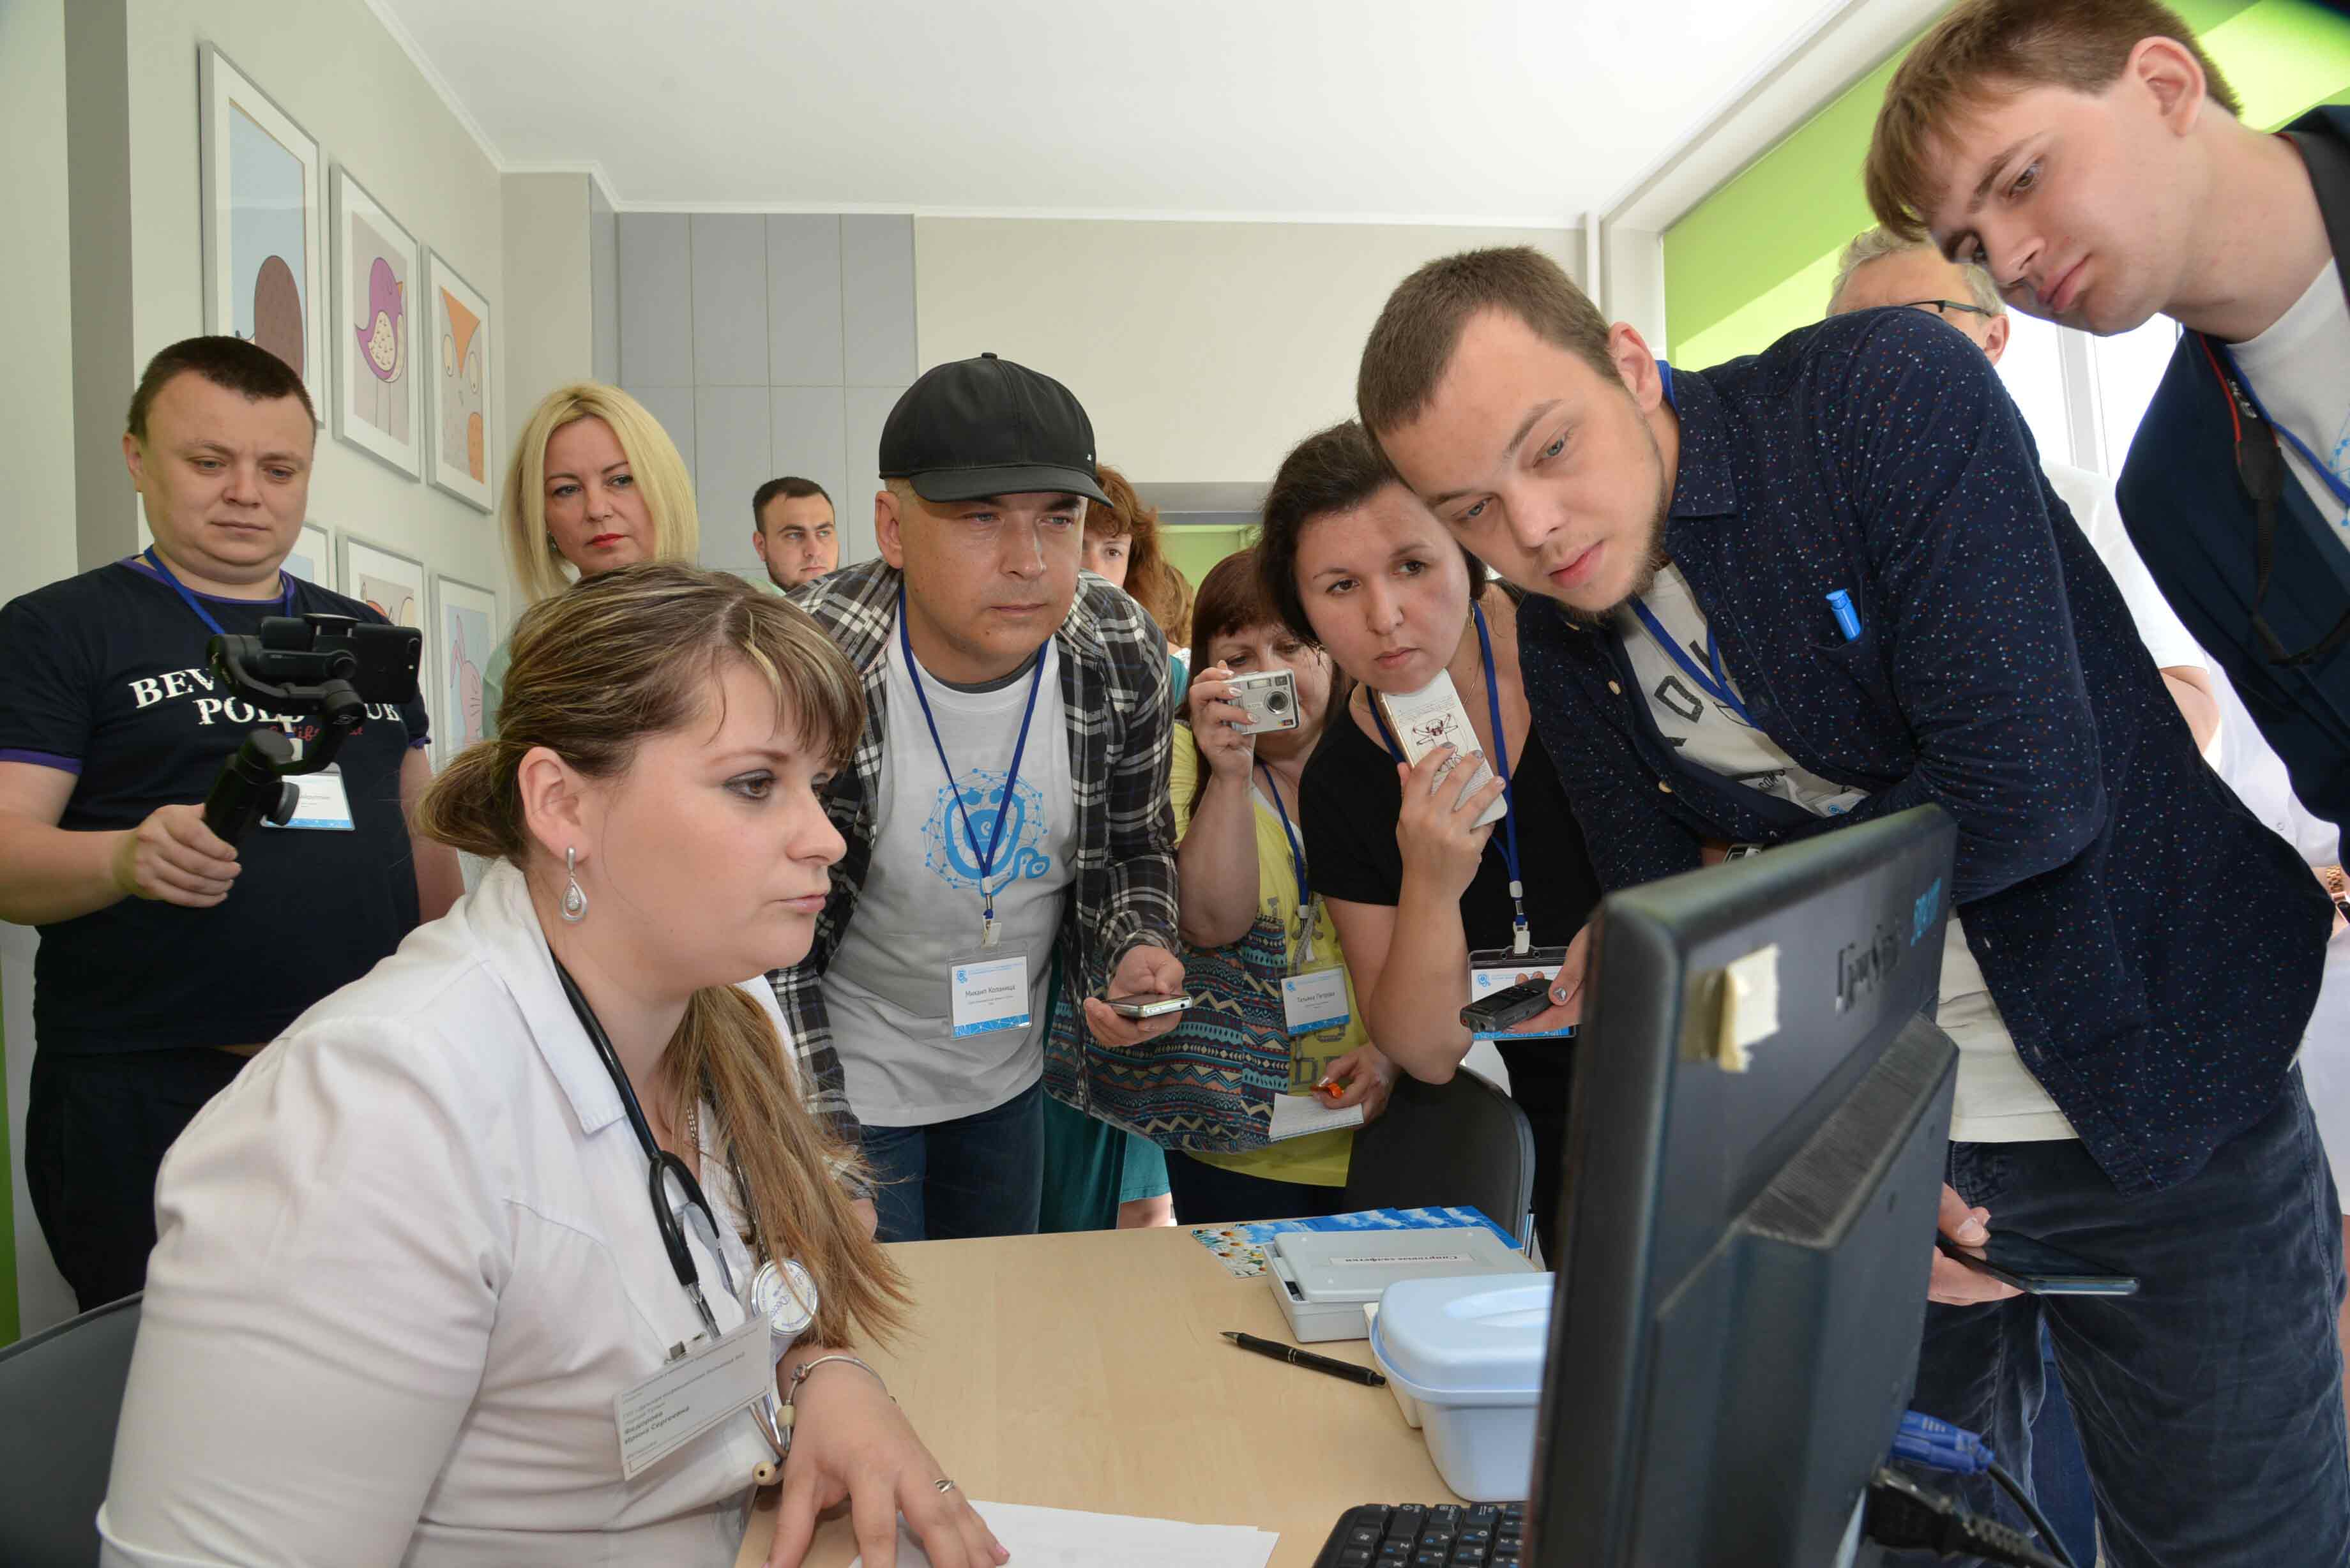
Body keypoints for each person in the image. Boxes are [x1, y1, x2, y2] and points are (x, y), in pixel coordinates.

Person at [1355, 243, 2345, 1564]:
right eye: (1469, 509)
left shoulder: (1875, 396)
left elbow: (2029, 787)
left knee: (2231, 1544)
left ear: (1629, 360)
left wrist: (1738, 895)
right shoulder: (1558, 627)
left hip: (2159, 1074)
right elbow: (1690, 948)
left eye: (1551, 448)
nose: (1528, 530)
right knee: (1899, 1540)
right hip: (1887, 1130)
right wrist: (1844, 1149)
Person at [98, 564, 1003, 1568]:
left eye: (818, 786)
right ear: (562, 806)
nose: (824, 837)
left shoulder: (731, 1013)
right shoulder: (372, 1117)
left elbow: (746, 1307)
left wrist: (826, 1374)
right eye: (756, 785)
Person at [0, 336, 460, 1313]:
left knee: (369, 1358)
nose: (246, 492)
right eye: (209, 461)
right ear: (137, 458)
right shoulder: (59, 630)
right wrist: (123, 858)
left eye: (279, 468)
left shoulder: (367, 641)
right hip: (146, 1095)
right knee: (146, 1384)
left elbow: (419, 835)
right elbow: (7, 852)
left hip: (354, 1083)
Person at [1863, 0, 2350, 829]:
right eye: (1973, 249)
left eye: (2022, 178)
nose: (2009, 261)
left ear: (2165, 88)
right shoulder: (2173, 496)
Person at [780, 352, 1183, 1244]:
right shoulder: (808, 665)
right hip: (843, 1067)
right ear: (892, 527)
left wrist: (1136, 943)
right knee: (883, 1342)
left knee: (999, 1333)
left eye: (1060, 518)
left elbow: (1132, 845)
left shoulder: (1119, 650)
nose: (1029, 560)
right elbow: (760, 940)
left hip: (1009, 1079)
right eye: (980, 518)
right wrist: (818, 1140)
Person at [1255, 419, 1601, 1249]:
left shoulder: (1584, 648)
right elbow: (1427, 1050)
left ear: (1467, 551)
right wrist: (1431, 885)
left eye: (1413, 566)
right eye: (1339, 587)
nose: (1386, 617)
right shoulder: (1344, 779)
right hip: (1560, 1124)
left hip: (1711, 1058)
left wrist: (1645, 915)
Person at [1827, 225, 2218, 750]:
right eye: (1848, 336)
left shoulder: (2090, 508)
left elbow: (2191, 714)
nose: (1875, 357)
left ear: (1992, 339)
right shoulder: (1820, 535)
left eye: (1913, 325)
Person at [1164, 549, 1397, 1221]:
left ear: (1331, 650)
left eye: (1289, 645)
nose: (1266, 674)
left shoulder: (1385, 753)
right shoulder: (1188, 756)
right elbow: (1211, 922)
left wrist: (1393, 1050)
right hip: (1230, 1133)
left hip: (1378, 1116)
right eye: (1236, 656)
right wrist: (1229, 772)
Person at [482, 383, 701, 732]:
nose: (597, 510)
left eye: (621, 479)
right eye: (566, 490)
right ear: (541, 517)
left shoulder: (755, 612)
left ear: (663, 485)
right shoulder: (518, 662)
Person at [1084, 464, 1195, 664]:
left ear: (1131, 564)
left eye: (1113, 552)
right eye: (1079, 547)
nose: (1095, 570)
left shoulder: (1156, 663)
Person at [754, 476, 840, 592]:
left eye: (824, 533)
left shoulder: (865, 605)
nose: (814, 551)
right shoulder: (740, 610)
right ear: (761, 546)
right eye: (794, 535)